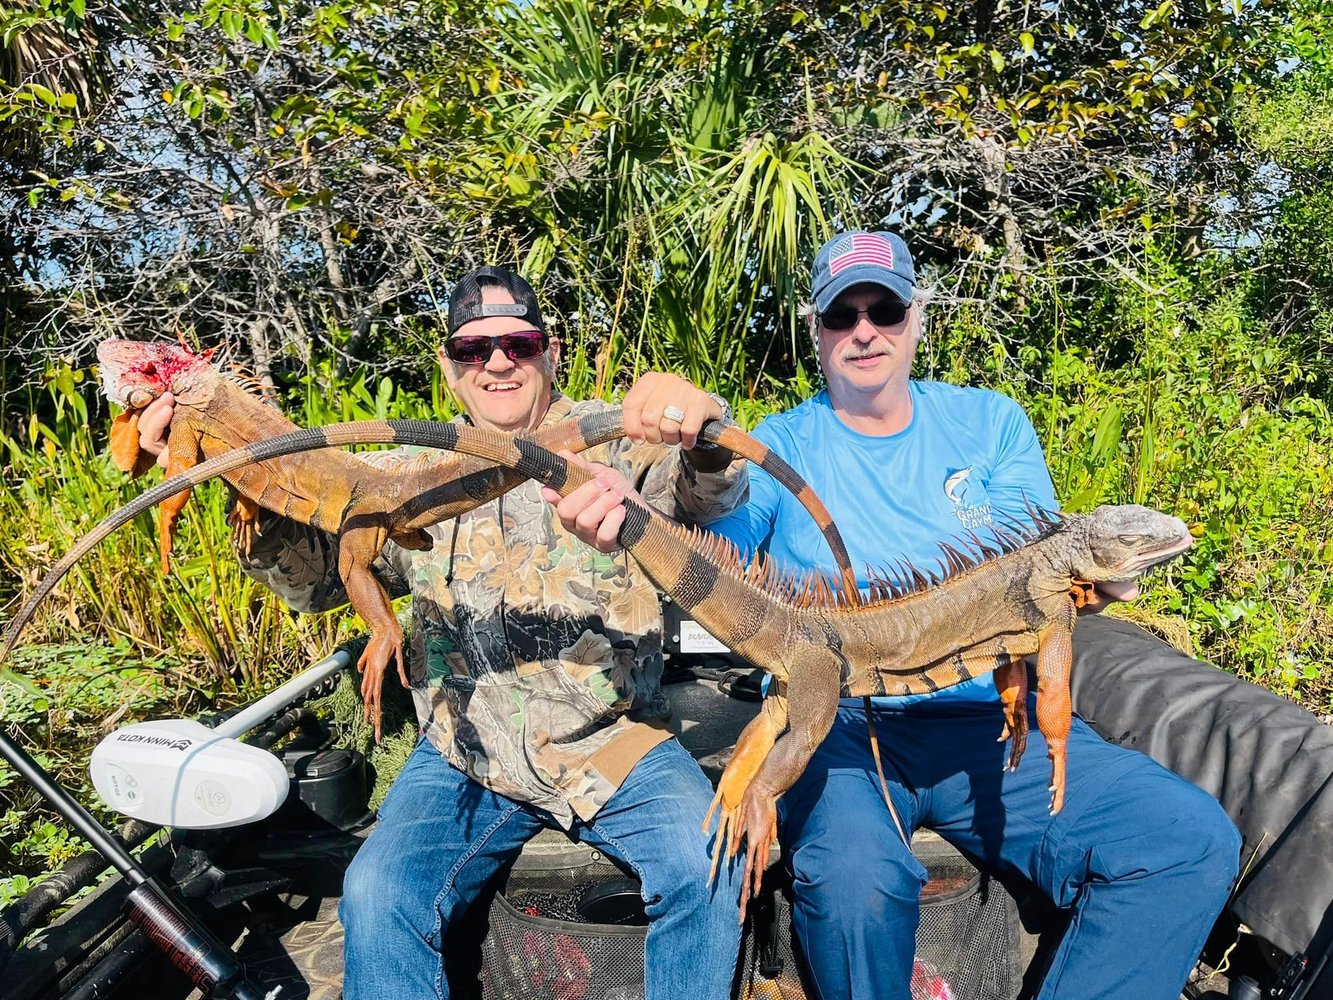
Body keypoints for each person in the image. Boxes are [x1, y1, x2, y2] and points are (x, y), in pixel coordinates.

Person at [557, 232, 1243, 999]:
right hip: (847, 729)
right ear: (813, 331)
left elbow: (1049, 577)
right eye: (838, 315)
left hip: (989, 726)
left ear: (916, 317)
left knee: (1186, 839)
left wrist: (1105, 581)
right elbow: (712, 539)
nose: (862, 331)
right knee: (856, 885)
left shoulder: (991, 425)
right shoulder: (778, 443)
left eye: (882, 308)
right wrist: (683, 470)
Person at [134, 265, 746, 1000]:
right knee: (377, 896)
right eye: (472, 349)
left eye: (518, 343)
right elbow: (318, 583)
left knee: (710, 863)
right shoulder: (405, 465)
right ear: (449, 368)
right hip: (461, 751)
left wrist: (700, 425)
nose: (496, 361)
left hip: (610, 741)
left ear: (549, 354)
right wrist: (240, 484)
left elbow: (705, 493)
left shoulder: (613, 440)